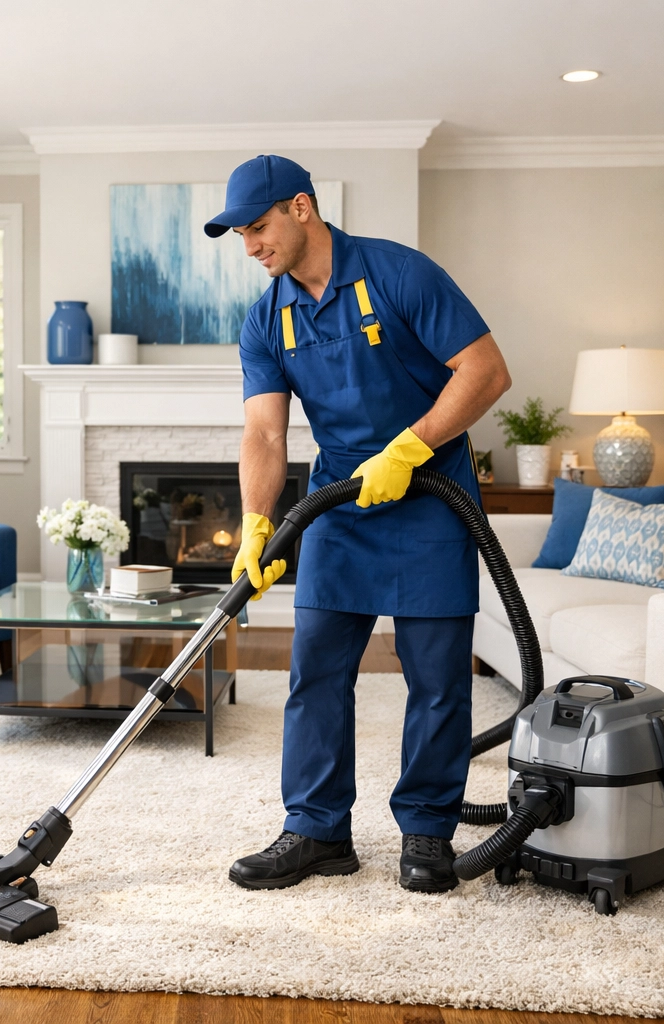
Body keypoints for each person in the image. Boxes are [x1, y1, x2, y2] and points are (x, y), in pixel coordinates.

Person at [206, 156, 511, 894]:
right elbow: (265, 436)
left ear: (302, 208)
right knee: (316, 671)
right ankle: (314, 830)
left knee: (436, 677)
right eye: (239, 235)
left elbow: (486, 371)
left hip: (434, 493)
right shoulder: (266, 318)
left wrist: (411, 447)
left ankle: (429, 831)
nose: (250, 246)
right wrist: (255, 525)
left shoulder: (400, 273)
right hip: (341, 501)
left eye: (258, 227)